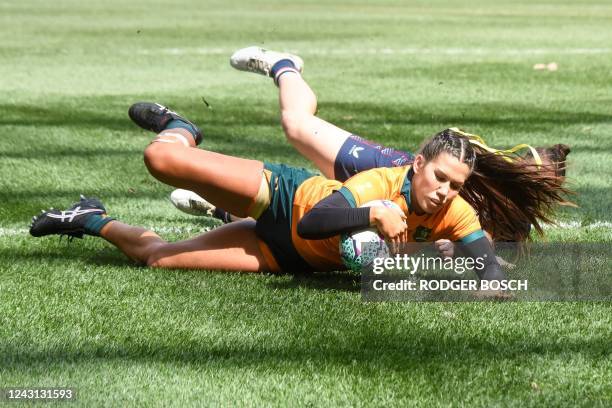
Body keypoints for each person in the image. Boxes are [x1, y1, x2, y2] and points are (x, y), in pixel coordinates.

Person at [28, 49, 569, 281]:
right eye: (440, 178)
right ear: (419, 164)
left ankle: (89, 218)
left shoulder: (455, 212)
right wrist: (373, 215)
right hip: (287, 199)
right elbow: (315, 221)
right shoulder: (381, 180)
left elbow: (481, 257)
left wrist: (488, 276)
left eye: (456, 186)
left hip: (289, 258)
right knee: (160, 158)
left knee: (160, 260)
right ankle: (184, 130)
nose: (446, 192)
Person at [171, 47, 571, 245]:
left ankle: (222, 210)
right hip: (384, 168)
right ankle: (282, 65)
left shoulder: (510, 230)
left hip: (388, 217)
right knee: (296, 126)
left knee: (320, 212)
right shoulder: (481, 178)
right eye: (543, 170)